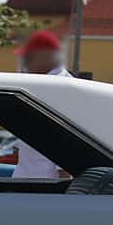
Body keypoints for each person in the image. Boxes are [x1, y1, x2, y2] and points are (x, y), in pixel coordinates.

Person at [12, 29, 70, 180]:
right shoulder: (41, 85)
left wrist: (63, 187)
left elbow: (67, 144)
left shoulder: (61, 89)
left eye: (29, 58)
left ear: (47, 56)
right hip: (29, 181)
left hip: (45, 184)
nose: (26, 64)